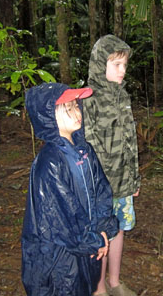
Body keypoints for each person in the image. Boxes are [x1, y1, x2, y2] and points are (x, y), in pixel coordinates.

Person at [21, 83, 119, 295]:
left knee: (85, 287)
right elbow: (60, 219)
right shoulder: (50, 163)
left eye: (76, 106)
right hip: (60, 255)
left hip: (86, 247)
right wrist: (95, 240)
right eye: (67, 110)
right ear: (47, 117)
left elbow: (102, 191)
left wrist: (103, 229)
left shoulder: (84, 150)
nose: (77, 113)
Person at [83, 35, 141, 296]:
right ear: (99, 64)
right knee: (102, 236)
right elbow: (89, 147)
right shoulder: (89, 99)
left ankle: (115, 281)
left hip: (123, 184)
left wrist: (134, 180)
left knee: (119, 231)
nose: (123, 71)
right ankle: (99, 289)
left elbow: (131, 141)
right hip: (100, 188)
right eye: (116, 64)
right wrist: (98, 185)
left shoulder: (123, 96)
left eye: (125, 65)